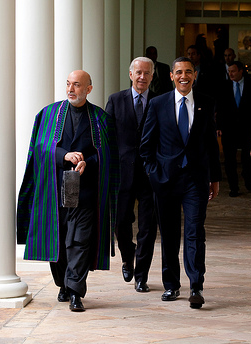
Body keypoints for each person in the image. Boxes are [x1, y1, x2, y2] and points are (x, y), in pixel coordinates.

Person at [17, 70, 119, 312]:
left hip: (85, 193)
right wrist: (64, 155)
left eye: (77, 85)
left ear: (88, 89)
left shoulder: (101, 119)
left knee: (80, 242)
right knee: (60, 241)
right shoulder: (49, 114)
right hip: (54, 193)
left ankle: (75, 291)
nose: (71, 89)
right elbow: (40, 148)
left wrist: (88, 162)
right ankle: (63, 283)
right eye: (68, 84)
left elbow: (106, 155)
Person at [140, 56, 222, 309]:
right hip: (165, 181)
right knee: (169, 235)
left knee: (195, 232)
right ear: (171, 76)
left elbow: (211, 143)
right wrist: (154, 173)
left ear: (195, 75)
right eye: (179, 72)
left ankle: (196, 286)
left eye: (188, 72)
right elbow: (146, 147)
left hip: (195, 180)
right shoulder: (157, 104)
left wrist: (215, 178)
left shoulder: (206, 103)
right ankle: (171, 286)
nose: (183, 76)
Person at [105, 57, 158, 293]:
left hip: (151, 174)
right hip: (122, 173)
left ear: (152, 76)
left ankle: (141, 275)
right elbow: (106, 138)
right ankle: (128, 255)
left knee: (148, 226)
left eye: (147, 73)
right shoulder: (116, 101)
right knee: (121, 222)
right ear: (130, 74)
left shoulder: (159, 101)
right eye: (138, 72)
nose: (142, 77)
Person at [217, 61, 251, 197]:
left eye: (233, 71)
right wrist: (218, 126)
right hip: (229, 129)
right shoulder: (223, 86)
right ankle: (233, 187)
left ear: (241, 71)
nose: (230, 74)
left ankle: (247, 178)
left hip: (247, 128)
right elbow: (219, 108)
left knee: (247, 159)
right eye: (229, 71)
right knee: (229, 160)